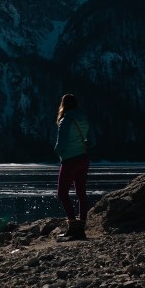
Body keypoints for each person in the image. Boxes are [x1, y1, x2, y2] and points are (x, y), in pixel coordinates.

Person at [54, 93, 92, 238]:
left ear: (63, 105)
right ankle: (81, 227)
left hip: (70, 160)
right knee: (81, 193)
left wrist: (57, 151)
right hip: (83, 159)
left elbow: (61, 143)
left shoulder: (65, 120)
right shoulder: (84, 119)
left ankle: (72, 225)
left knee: (62, 194)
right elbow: (92, 141)